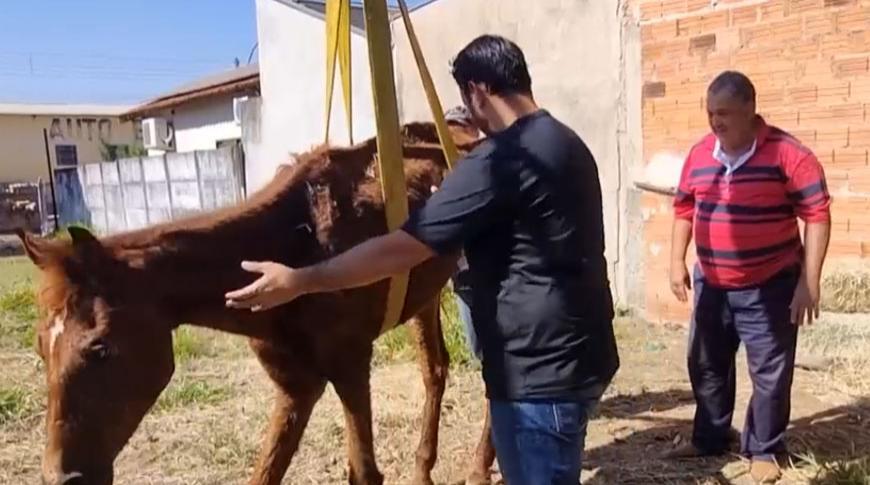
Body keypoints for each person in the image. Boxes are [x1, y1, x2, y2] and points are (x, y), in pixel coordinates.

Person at [224, 34, 620, 484]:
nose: (468, 115)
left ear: (478, 91)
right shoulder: (568, 144)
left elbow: (402, 249)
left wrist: (302, 279)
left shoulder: (499, 160)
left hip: (537, 378)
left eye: (466, 101)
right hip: (585, 357)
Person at [666, 71, 831, 484]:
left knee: (770, 371)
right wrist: (675, 262)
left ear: (750, 110)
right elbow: (684, 208)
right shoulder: (701, 153)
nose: (715, 122)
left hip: (770, 284)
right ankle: (710, 437)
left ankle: (765, 449)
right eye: (710, 113)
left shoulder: (789, 154)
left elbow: (816, 214)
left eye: (724, 113)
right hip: (712, 283)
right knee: (705, 363)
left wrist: (808, 282)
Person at [443, 104, 483, 361]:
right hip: (462, 272)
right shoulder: (444, 168)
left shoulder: (483, 164)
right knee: (477, 345)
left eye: (462, 130)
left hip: (488, 269)